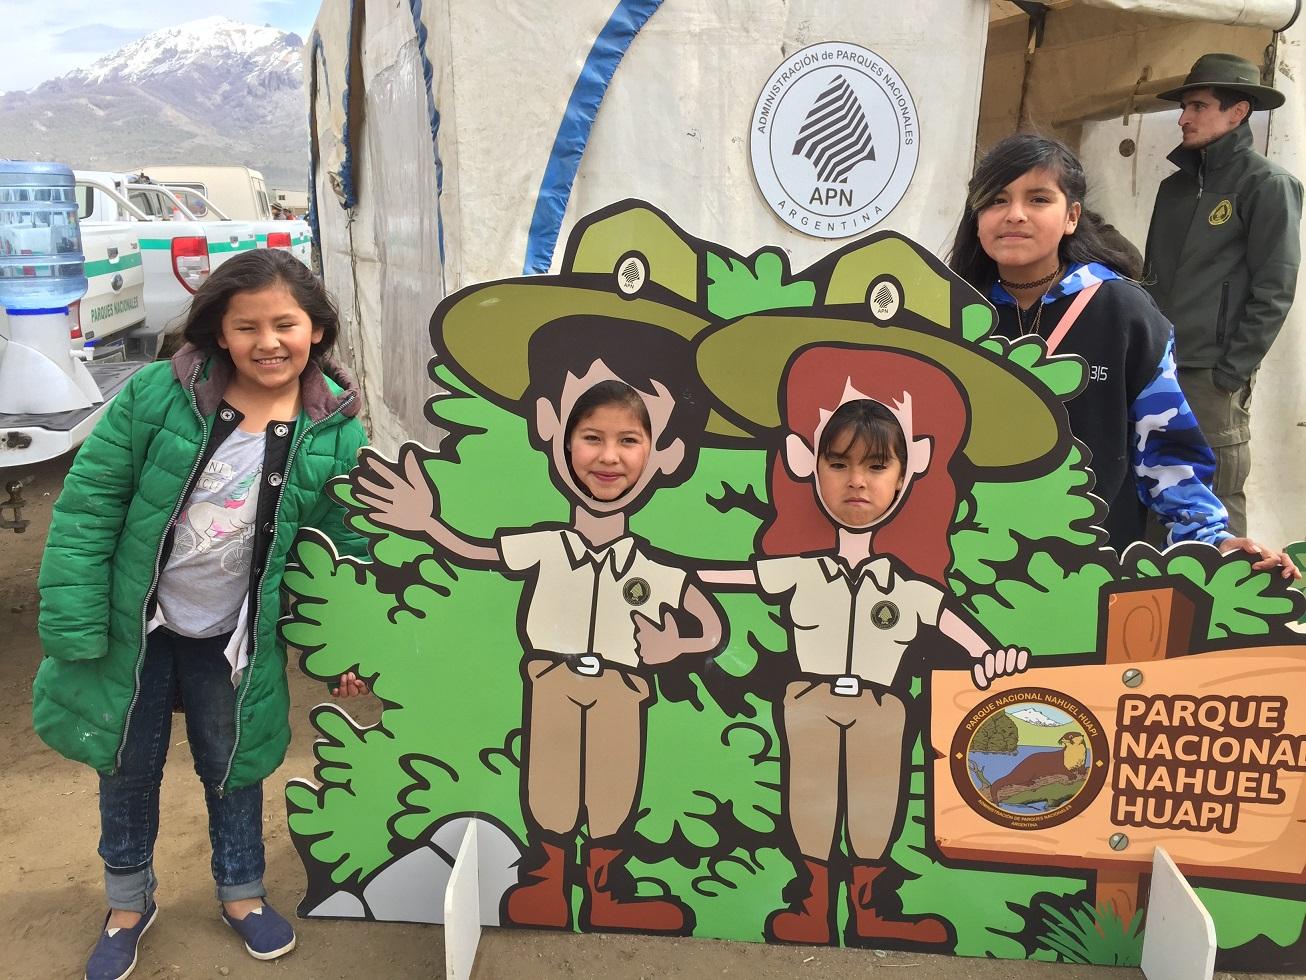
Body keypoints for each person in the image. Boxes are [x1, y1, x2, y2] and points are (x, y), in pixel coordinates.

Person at [33, 249, 372, 980]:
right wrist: (76, 622)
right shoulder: (157, 396)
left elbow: (343, 545)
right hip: (138, 626)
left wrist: (349, 642)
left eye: (285, 324)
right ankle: (127, 904)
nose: (268, 342)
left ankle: (242, 892)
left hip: (234, 636)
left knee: (233, 761)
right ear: (219, 331)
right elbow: (89, 506)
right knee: (127, 764)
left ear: (316, 329)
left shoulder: (336, 433)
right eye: (246, 327)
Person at [355, 315, 725, 936]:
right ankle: (547, 884)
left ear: (666, 454)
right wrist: (426, 523)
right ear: (554, 431)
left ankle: (604, 891)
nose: (608, 458)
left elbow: (709, 625)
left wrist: (675, 646)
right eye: (591, 437)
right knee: (549, 782)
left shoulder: (655, 567)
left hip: (622, 686)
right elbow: (477, 552)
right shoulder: (548, 545)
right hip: (552, 677)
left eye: (629, 440)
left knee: (613, 787)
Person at [691, 341, 1045, 948]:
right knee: (808, 799)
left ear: (906, 475)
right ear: (811, 468)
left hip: (882, 706)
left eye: (877, 467)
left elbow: (967, 637)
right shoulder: (801, 570)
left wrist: (995, 659)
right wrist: (666, 572)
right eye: (839, 464)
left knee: (877, 804)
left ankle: (871, 906)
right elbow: (733, 577)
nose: (857, 481)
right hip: (809, 698)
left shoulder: (908, 587)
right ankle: (811, 903)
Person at [949, 133, 1298, 578]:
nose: (1014, 214)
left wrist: (1213, 540)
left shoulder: (1124, 312)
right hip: (962, 566)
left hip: (1086, 571)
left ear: (1072, 216)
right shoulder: (949, 311)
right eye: (996, 200)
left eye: (1038, 199)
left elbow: (1166, 445)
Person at [1144, 52, 1303, 536]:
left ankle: (1224, 589)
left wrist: (1230, 372)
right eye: (1184, 107)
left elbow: (1275, 289)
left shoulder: (1267, 185)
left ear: (1238, 112)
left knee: (1214, 495)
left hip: (1211, 376)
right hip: (1157, 367)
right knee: (1153, 484)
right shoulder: (1172, 189)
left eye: (1198, 106)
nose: (1183, 118)